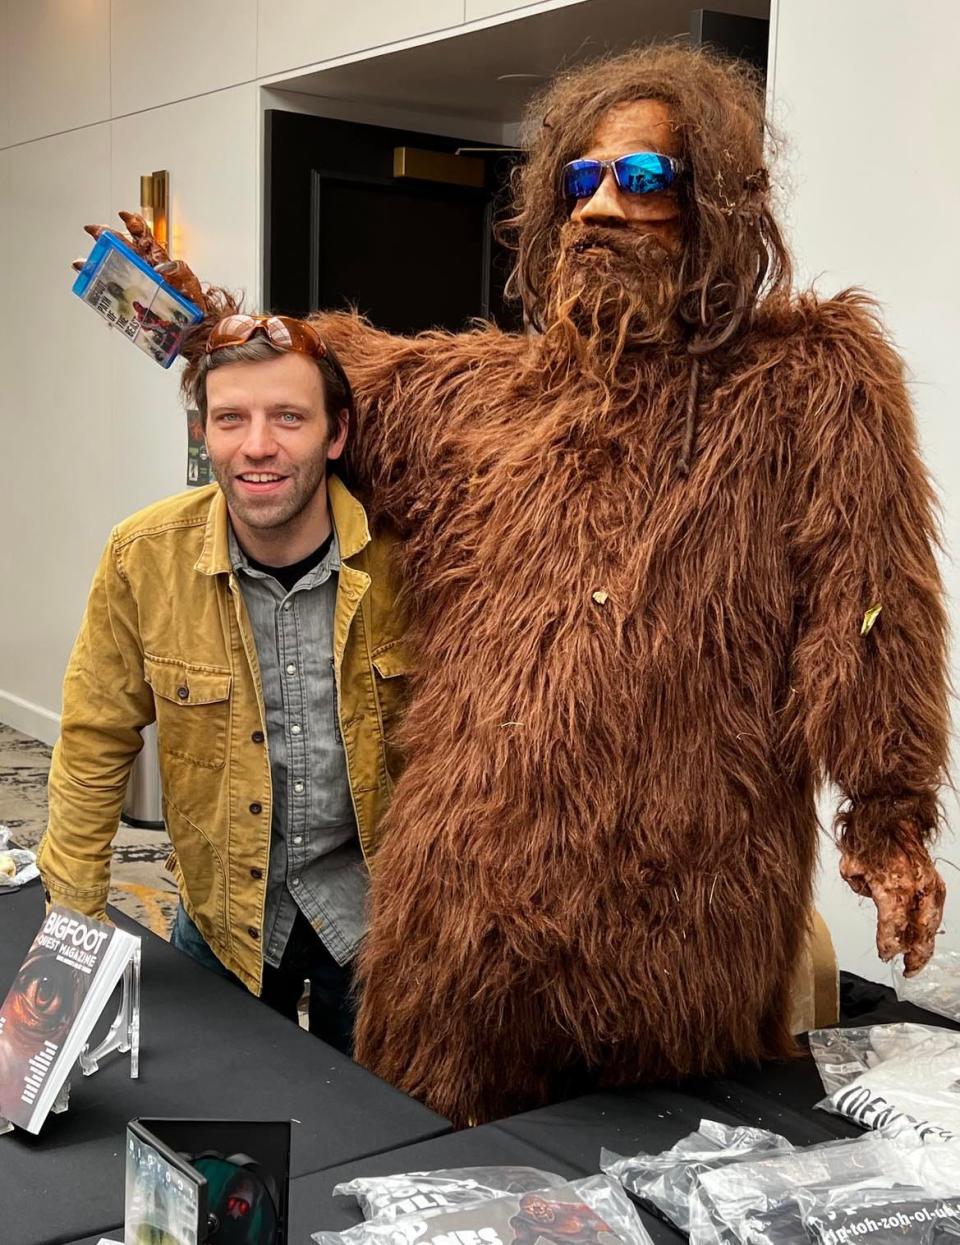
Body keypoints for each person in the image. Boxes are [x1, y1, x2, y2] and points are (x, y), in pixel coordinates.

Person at [78, 43, 949, 1126]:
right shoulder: (480, 396)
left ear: (720, 203)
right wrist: (185, 317)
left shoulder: (811, 386)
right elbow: (315, 378)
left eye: (641, 179)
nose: (599, 209)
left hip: (685, 908)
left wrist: (889, 814)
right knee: (427, 1176)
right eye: (579, 182)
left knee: (665, 1168)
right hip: (467, 919)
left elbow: (869, 612)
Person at [37, 314, 411, 1053]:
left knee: (378, 1139)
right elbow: (93, 741)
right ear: (203, 433)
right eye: (231, 418)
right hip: (222, 916)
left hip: (379, 924)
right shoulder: (141, 558)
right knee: (220, 1145)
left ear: (334, 435)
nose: (258, 444)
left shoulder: (412, 562)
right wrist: (71, 932)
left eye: (288, 417)